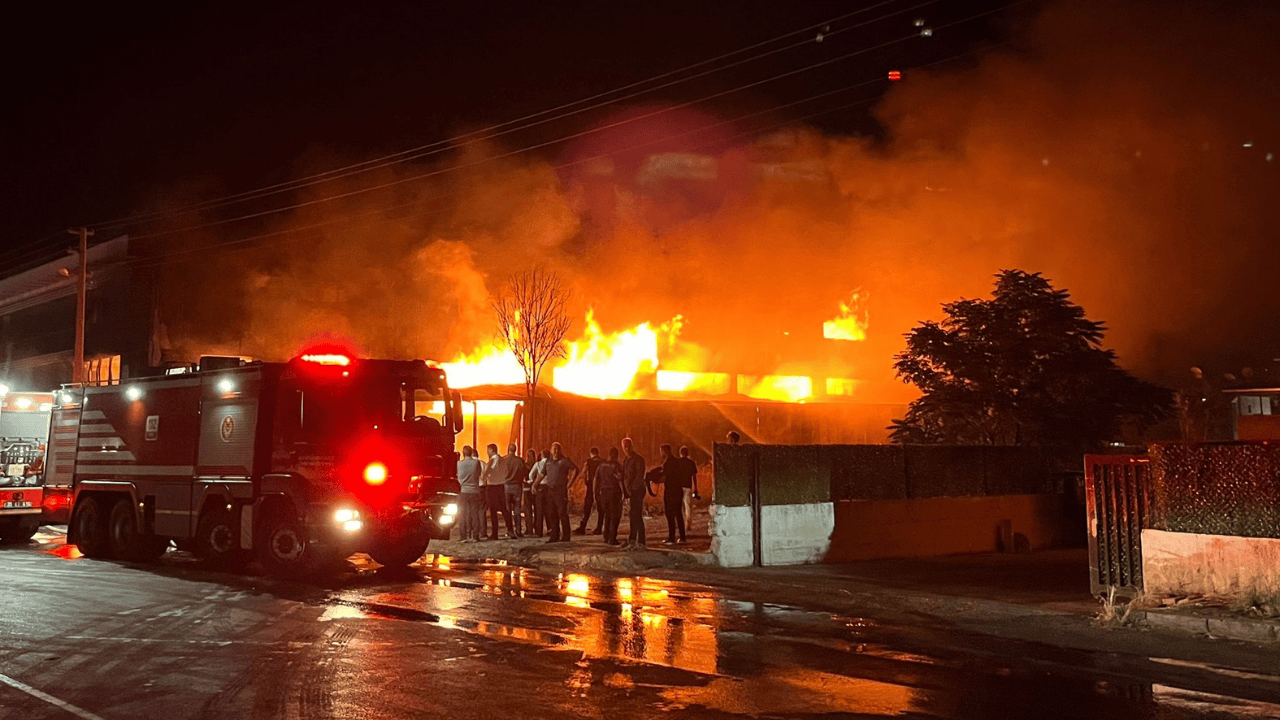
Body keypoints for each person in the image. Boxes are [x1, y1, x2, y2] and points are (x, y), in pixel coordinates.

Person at [536, 442, 578, 543]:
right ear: (551, 450)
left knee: (562, 513)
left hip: (560, 490)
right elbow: (541, 474)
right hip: (550, 490)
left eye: (557, 449)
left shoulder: (564, 461)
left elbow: (575, 469)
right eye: (554, 449)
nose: (556, 451)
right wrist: (535, 484)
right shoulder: (548, 462)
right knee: (551, 513)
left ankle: (566, 536)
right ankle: (554, 535)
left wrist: (570, 483)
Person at [481, 443, 517, 540]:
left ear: (492, 450)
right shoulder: (502, 460)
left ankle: (494, 533)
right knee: (504, 509)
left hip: (492, 487)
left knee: (493, 510)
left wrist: (484, 477)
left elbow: (486, 472)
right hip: (501, 486)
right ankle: (510, 530)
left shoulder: (492, 460)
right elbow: (506, 472)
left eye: (488, 450)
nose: (487, 452)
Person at [657, 444, 688, 545]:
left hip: (670, 490)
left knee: (669, 514)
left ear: (665, 451)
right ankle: (682, 537)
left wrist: (656, 480)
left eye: (661, 451)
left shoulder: (667, 463)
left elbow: (666, 477)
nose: (660, 453)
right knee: (678, 513)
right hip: (678, 489)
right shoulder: (677, 462)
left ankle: (671, 538)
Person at [621, 437, 648, 549]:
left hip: (637, 490)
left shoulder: (638, 459)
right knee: (634, 515)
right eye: (625, 446)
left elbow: (639, 476)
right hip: (630, 491)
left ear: (632, 446)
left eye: (628, 446)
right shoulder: (626, 460)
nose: (627, 448)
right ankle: (637, 541)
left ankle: (636, 540)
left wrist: (631, 489)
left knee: (635, 515)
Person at [594, 447, 625, 545]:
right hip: (614, 492)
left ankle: (606, 536)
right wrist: (624, 493)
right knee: (614, 516)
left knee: (607, 515)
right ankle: (612, 538)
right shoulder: (617, 466)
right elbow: (620, 480)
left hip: (603, 492)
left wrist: (595, 492)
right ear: (616, 455)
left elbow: (596, 479)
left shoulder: (601, 465)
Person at [456, 445, 484, 542]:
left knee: (462, 513)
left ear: (463, 453)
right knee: (475, 513)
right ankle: (475, 536)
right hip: (474, 491)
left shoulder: (459, 464)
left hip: (463, 491)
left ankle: (463, 535)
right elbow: (479, 474)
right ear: (471, 452)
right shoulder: (476, 462)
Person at [575, 447, 604, 535]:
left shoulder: (589, 461)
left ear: (591, 453)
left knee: (587, 507)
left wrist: (580, 481)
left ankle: (582, 527)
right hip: (600, 487)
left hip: (591, 486)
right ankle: (599, 527)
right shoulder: (603, 461)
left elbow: (583, 472)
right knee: (600, 508)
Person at [499, 443, 526, 538]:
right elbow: (524, 471)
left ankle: (509, 530)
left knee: (507, 509)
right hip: (517, 486)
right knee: (517, 509)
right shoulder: (520, 461)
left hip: (506, 486)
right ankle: (518, 530)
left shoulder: (503, 460)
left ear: (508, 449)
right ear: (516, 449)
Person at [679, 446, 700, 536]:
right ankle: (688, 524)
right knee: (688, 507)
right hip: (688, 486)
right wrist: (695, 487)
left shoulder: (678, 462)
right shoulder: (691, 463)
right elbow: (694, 476)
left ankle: (679, 523)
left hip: (678, 486)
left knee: (678, 507)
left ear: (680, 453)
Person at [531, 449, 550, 537]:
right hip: (549, 487)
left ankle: (539, 531)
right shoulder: (551, 463)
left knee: (539, 510)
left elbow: (531, 474)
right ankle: (550, 529)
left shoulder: (538, 464)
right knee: (549, 509)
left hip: (540, 486)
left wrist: (532, 481)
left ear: (541, 455)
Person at [522, 449, 541, 536]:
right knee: (537, 509)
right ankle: (537, 529)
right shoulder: (537, 465)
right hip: (536, 488)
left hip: (526, 489)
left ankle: (529, 529)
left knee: (528, 510)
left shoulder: (524, 466)